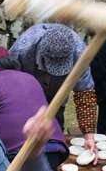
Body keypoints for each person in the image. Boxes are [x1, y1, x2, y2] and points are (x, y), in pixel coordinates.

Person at [10, 23, 99, 154]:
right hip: (27, 89)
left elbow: (84, 94)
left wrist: (89, 135)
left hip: (58, 93)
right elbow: (9, 80)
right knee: (25, 134)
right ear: (41, 54)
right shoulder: (23, 48)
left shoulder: (80, 54)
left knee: (55, 131)